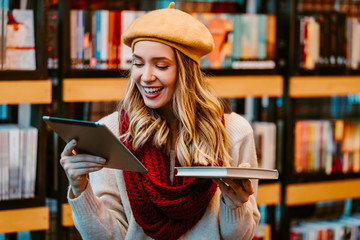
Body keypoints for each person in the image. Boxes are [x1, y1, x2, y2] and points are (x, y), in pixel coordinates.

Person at [60, 2, 260, 240]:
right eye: (137, 63)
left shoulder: (235, 133)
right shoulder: (112, 132)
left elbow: (240, 237)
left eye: (161, 65)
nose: (145, 77)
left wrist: (236, 204)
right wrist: (80, 188)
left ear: (186, 72)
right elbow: (108, 237)